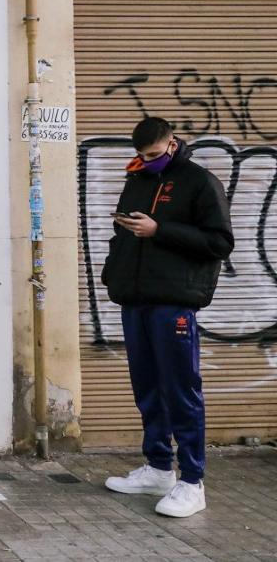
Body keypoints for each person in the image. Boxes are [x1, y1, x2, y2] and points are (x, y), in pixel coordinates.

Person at [101, 116, 233, 518]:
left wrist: (159, 230)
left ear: (172, 143)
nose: (147, 160)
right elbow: (121, 233)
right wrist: (113, 271)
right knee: (148, 388)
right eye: (141, 155)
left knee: (180, 390)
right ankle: (159, 468)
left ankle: (192, 481)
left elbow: (220, 242)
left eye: (154, 155)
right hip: (135, 299)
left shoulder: (199, 182)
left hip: (174, 301)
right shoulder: (138, 179)